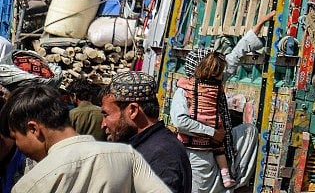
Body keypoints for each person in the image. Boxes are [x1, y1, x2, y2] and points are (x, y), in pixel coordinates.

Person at [0, 83, 170, 193]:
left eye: (16, 137)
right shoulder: (127, 155)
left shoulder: (30, 184)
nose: (18, 146)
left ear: (33, 129)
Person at [172, 12, 272, 193]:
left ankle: (234, 179)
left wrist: (256, 29)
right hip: (196, 151)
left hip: (218, 144)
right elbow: (180, 121)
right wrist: (211, 133)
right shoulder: (183, 92)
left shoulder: (215, 82)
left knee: (248, 132)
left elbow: (233, 57)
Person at [101, 73, 191, 193]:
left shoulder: (162, 155)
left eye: (107, 115)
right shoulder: (145, 145)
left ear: (132, 110)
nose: (103, 124)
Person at [173, 54, 236, 189]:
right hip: (201, 153)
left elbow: (180, 123)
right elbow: (181, 122)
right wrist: (212, 133)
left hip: (185, 149)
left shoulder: (185, 87)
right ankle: (226, 175)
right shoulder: (217, 88)